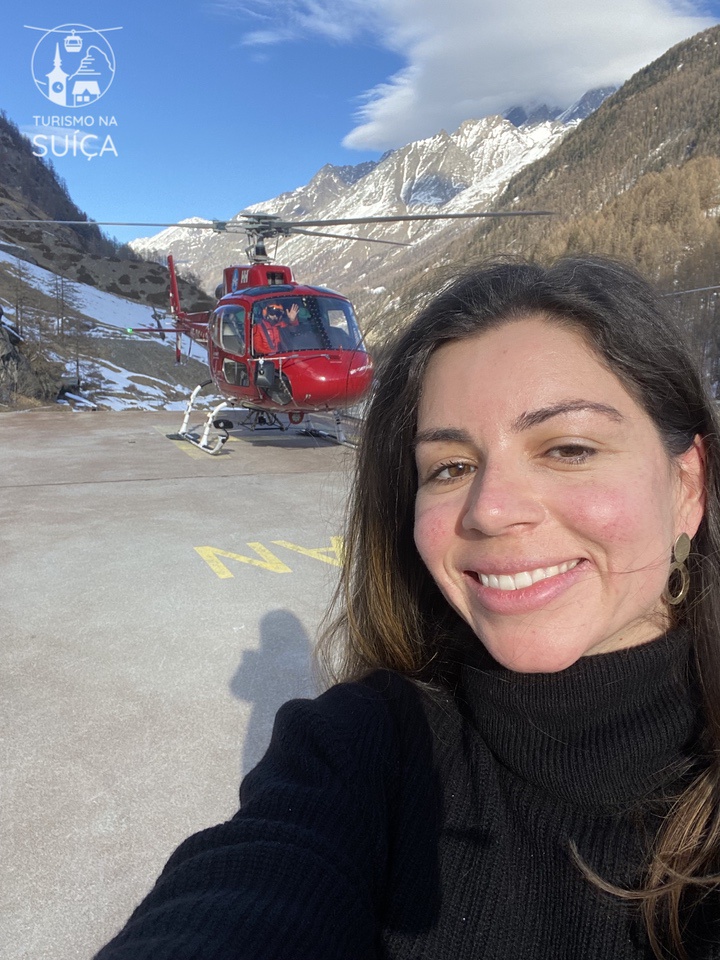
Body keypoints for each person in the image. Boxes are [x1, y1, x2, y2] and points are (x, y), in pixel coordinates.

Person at [94, 257, 720, 960]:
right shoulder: (363, 746)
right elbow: (249, 889)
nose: (490, 511)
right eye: (449, 468)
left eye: (569, 448)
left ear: (688, 486)